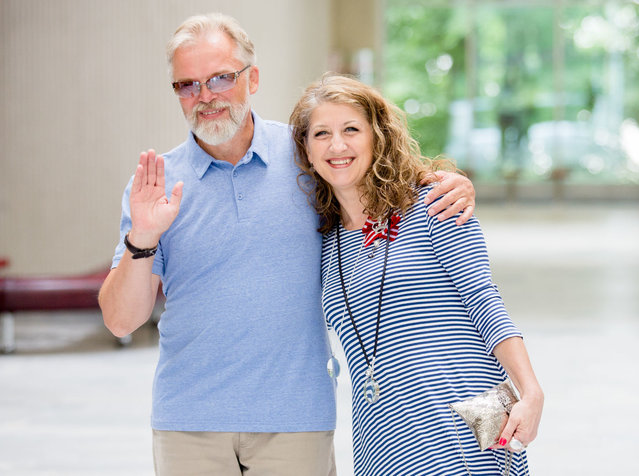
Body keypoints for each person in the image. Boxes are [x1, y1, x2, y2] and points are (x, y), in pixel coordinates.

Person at [98, 13, 476, 476]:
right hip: (189, 424)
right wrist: (143, 237)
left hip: (296, 423)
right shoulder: (155, 187)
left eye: (220, 78)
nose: (206, 96)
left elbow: (378, 180)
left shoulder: (308, 158)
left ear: (252, 77)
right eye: (188, 85)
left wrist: (443, 181)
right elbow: (121, 321)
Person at [289, 73, 544, 476]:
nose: (337, 145)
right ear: (305, 148)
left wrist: (530, 390)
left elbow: (484, 298)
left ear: (378, 136)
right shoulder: (324, 240)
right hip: (383, 436)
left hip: (467, 422)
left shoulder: (434, 204)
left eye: (351, 129)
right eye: (321, 133)